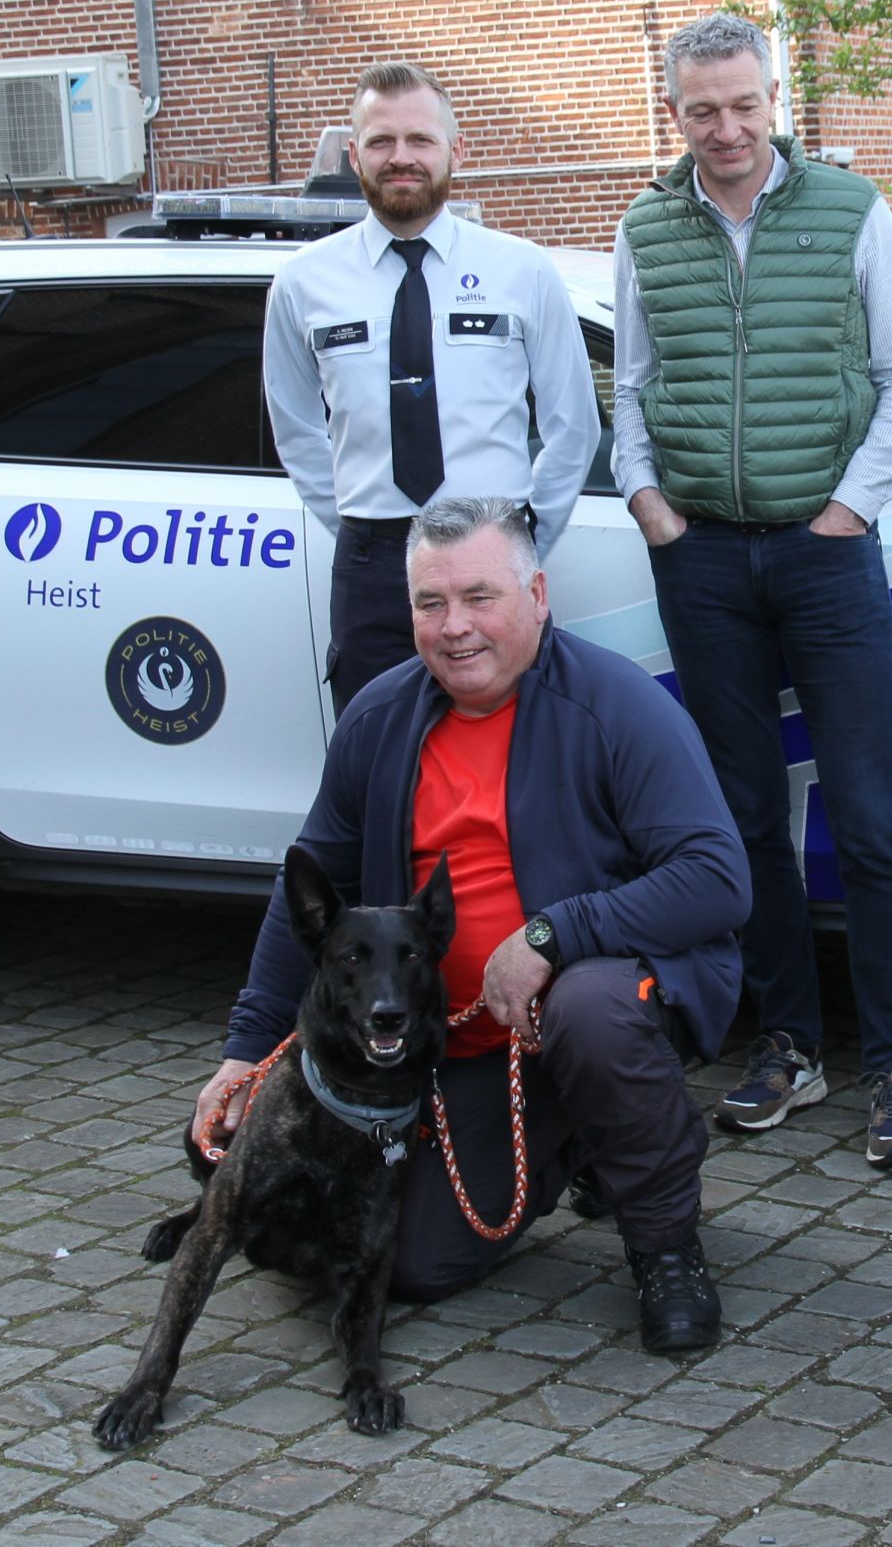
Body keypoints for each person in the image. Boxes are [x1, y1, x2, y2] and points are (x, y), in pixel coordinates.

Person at [193, 497, 750, 1350]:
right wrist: (244, 1052)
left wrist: (550, 935)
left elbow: (717, 880)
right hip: (449, 1043)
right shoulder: (379, 718)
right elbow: (312, 886)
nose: (455, 628)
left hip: (596, 1005)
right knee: (409, 1263)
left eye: (479, 597)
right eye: (431, 603)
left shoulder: (620, 705)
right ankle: (575, 1142)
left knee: (590, 1008)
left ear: (536, 593)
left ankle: (665, 1239)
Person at [609, 14, 892, 1170]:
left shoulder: (851, 209)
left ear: (773, 97)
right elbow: (632, 387)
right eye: (702, 109)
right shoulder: (647, 226)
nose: (726, 128)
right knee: (742, 815)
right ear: (675, 113)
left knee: (867, 814)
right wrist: (649, 504)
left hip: (824, 551)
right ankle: (788, 1044)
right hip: (701, 557)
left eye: (743, 104)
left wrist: (849, 507)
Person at [264, 63, 600, 714]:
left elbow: (574, 426)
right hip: (373, 560)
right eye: (382, 142)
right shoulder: (302, 284)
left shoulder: (522, 270)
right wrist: (361, 530)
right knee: (380, 759)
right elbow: (296, 428)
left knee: (514, 757)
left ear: (455, 150)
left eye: (420, 140)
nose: (402, 158)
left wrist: (521, 543)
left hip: (495, 546)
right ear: (354, 155)